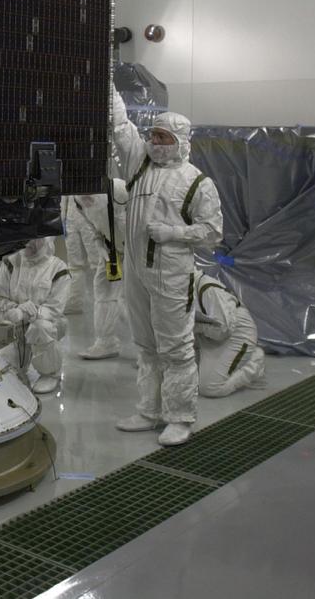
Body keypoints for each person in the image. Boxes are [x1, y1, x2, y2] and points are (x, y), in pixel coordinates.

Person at [107, 89, 222, 447]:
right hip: (137, 271)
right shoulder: (138, 163)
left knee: (175, 348)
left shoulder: (197, 182)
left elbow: (213, 233)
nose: (155, 142)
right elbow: (120, 125)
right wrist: (109, 83)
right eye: (153, 135)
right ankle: (148, 410)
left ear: (181, 142)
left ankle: (180, 417)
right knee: (145, 345)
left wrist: (174, 232)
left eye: (163, 138)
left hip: (171, 274)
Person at [0, 237, 72, 395]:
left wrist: (31, 312)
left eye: (36, 238)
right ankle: (20, 363)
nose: (28, 241)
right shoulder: (10, 262)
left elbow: (55, 309)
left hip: (46, 324)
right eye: (26, 236)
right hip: (16, 325)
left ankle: (50, 373)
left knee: (40, 328)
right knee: (4, 368)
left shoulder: (58, 268)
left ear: (47, 240)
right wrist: (14, 308)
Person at [61, 181, 128, 360]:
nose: (86, 197)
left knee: (141, 299)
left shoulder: (119, 191)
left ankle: (151, 354)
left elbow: (137, 222)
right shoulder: (77, 199)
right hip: (112, 249)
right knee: (103, 289)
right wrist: (100, 241)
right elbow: (93, 223)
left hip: (137, 251)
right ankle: (106, 342)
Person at [192, 273, 266, 398]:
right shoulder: (169, 288)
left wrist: (194, 327)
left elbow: (224, 331)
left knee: (210, 388)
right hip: (205, 333)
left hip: (237, 334)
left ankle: (254, 361)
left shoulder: (207, 289)